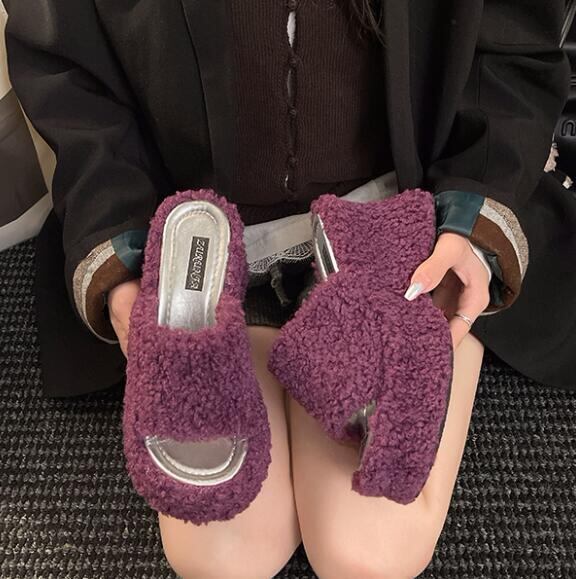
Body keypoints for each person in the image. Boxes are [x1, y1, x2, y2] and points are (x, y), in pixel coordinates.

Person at [5, 0, 576, 577]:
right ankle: (201, 281)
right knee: (222, 559)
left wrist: (474, 216)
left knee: (366, 555)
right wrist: (120, 259)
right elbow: (69, 72)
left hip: (398, 221)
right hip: (202, 235)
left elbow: (512, 42)